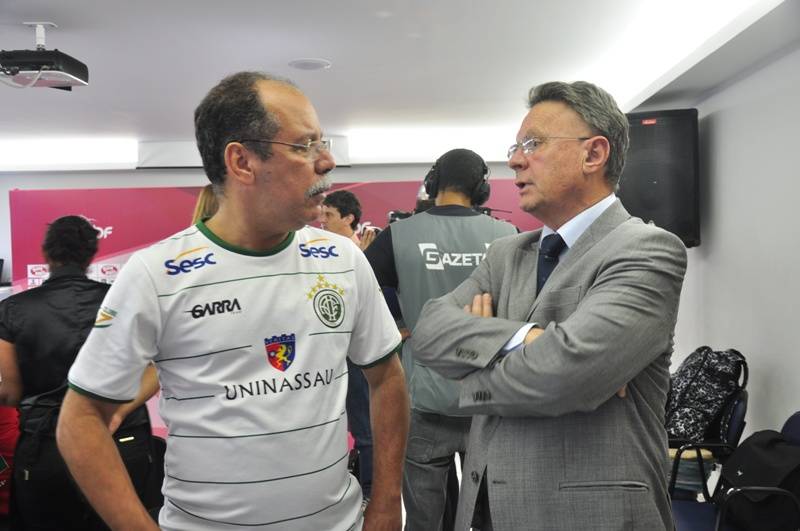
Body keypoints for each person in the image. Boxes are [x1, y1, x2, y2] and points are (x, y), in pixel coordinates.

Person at [56, 71, 409, 531]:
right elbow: (80, 419)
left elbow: (387, 379)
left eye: (321, 143)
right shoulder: (156, 274)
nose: (327, 161)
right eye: (304, 146)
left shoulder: (343, 259)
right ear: (242, 161)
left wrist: (387, 504)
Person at [411, 82, 687, 530]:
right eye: (516, 147)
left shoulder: (647, 250)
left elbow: (566, 375)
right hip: (485, 510)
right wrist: (527, 339)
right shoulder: (506, 254)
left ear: (593, 154)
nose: (515, 160)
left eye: (533, 144)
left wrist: (473, 370)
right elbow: (428, 331)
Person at [364, 149, 517, 531]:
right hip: (489, 399)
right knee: (494, 518)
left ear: (432, 184)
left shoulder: (398, 235)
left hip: (424, 396)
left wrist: (399, 326)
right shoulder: (507, 236)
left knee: (423, 521)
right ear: (481, 189)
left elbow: (361, 291)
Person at [0, 215, 155, 530]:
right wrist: (119, 412)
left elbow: (10, 393)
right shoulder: (121, 301)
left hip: (48, 444)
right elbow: (155, 372)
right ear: (91, 254)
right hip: (120, 438)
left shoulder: (13, 309)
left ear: (46, 254)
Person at [321, 190, 376, 505]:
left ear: (349, 218)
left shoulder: (362, 256)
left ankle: (369, 492)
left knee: (364, 429)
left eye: (329, 215)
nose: (322, 221)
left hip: (356, 358)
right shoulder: (321, 255)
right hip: (327, 358)